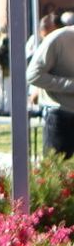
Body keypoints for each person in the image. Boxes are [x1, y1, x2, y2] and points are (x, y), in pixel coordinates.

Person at [29, 25, 74, 157]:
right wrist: (70, 85)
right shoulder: (59, 39)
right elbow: (33, 75)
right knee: (58, 171)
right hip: (60, 116)